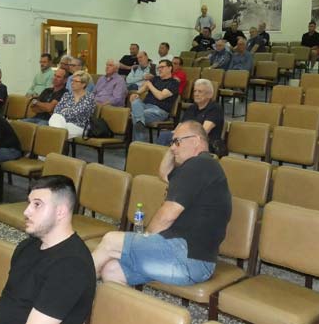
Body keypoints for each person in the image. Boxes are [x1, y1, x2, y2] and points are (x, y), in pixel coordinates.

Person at [92, 121, 232, 286]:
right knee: (112, 270)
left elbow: (167, 215)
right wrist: (174, 145)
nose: (173, 147)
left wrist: (145, 239)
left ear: (195, 141)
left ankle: (71, 290)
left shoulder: (199, 165)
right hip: (192, 262)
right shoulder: (199, 169)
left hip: (187, 257)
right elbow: (164, 173)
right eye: (172, 142)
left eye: (177, 142)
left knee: (111, 241)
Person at [0, 175, 95, 324]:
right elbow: (4, 301)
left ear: (60, 212)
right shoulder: (27, 246)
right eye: (29, 203)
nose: (26, 212)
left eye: (37, 204)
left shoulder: (71, 266)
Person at [156, 79, 224, 148]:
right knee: (165, 135)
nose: (196, 94)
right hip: (187, 138)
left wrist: (182, 137)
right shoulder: (192, 107)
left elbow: (203, 132)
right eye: (195, 91)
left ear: (209, 95)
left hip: (204, 143)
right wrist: (175, 134)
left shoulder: (215, 109)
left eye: (200, 91)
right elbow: (179, 127)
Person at [130, 60, 180, 141]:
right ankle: (140, 135)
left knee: (135, 115)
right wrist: (136, 94)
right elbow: (142, 89)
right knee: (135, 102)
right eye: (158, 68)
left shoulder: (174, 83)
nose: (159, 69)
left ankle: (139, 141)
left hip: (158, 111)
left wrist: (149, 85)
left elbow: (160, 96)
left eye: (162, 67)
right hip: (145, 106)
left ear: (170, 68)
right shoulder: (155, 79)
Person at [49, 71, 95, 139]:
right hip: (63, 123)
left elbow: (77, 113)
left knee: (56, 130)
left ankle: (56, 143)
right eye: (72, 80)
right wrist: (69, 110)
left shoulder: (89, 97)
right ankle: (59, 142)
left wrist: (65, 110)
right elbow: (56, 110)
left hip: (79, 126)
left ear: (83, 84)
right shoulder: (67, 95)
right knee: (55, 117)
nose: (72, 83)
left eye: (76, 81)